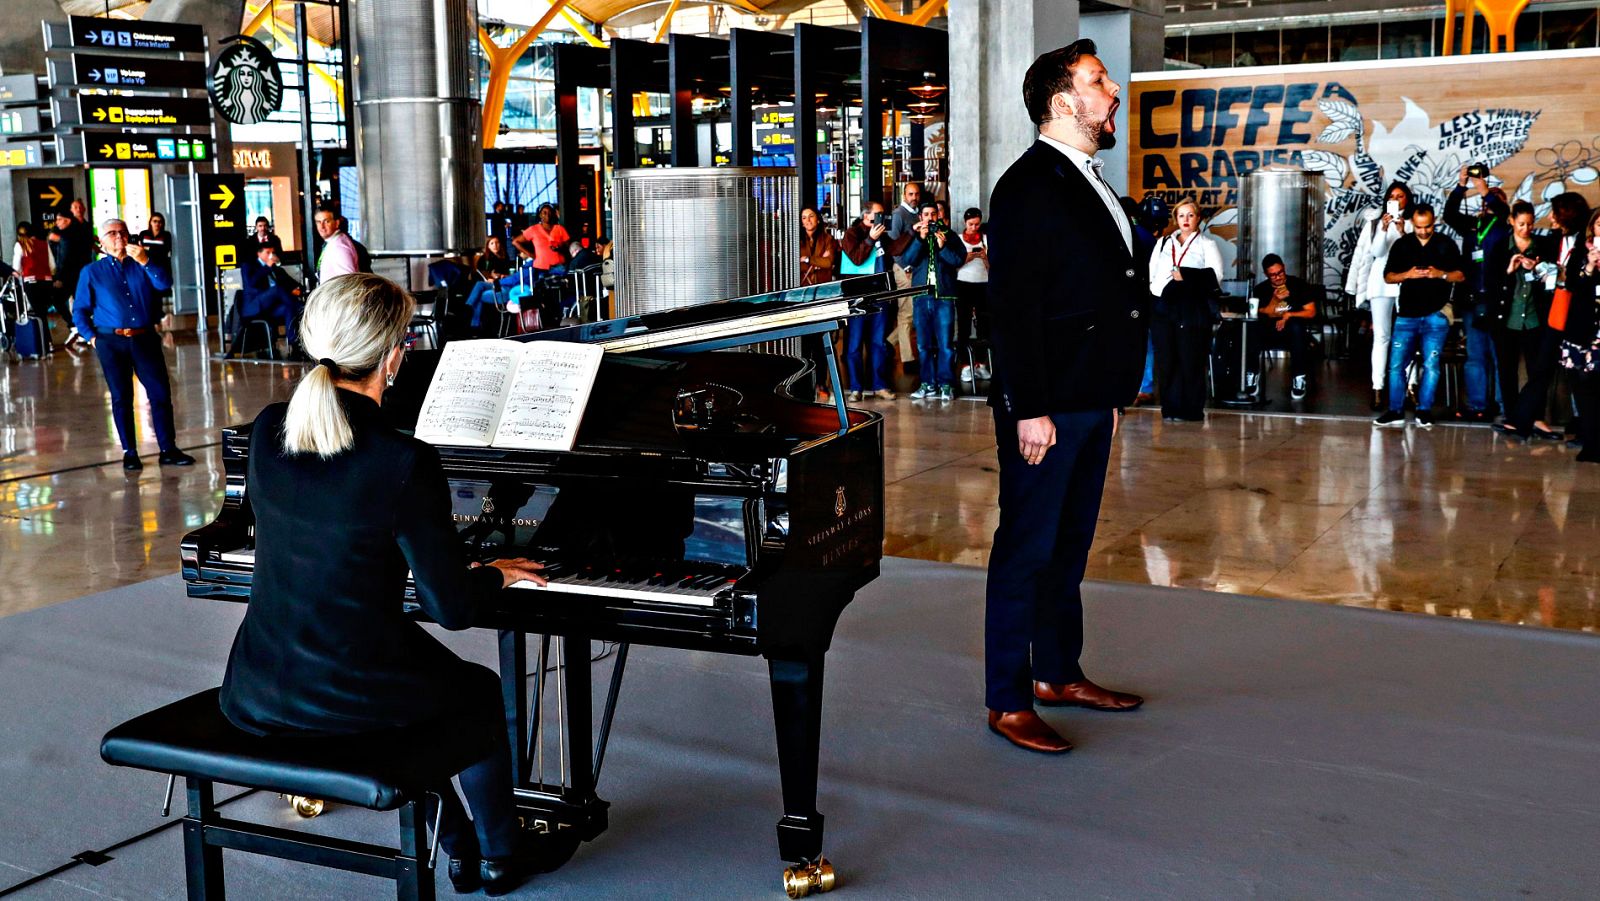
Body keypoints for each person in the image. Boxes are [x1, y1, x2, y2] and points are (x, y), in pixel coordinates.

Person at [218, 273, 549, 894]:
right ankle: (502, 854)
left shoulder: (267, 429)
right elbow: (449, 607)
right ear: (394, 358)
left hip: (257, 681)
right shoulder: (401, 458)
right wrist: (494, 574)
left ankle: (459, 844)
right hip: (345, 687)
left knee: (429, 685)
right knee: (475, 692)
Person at [984, 39, 1148, 756]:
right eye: (1098, 81)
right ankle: (1007, 698)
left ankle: (1056, 671)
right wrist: (1030, 407)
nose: (1112, 91)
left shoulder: (1089, 178)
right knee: (1026, 547)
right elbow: (1014, 311)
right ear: (1063, 102)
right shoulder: (1027, 187)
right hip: (1045, 406)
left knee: (1070, 545)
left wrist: (1109, 391)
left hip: (1089, 398)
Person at [71, 220, 196, 470]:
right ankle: (130, 451)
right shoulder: (92, 272)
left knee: (160, 393)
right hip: (111, 341)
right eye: (112, 233)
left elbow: (164, 284)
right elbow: (80, 311)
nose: (119, 237)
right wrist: (93, 338)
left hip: (144, 337)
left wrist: (146, 261)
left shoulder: (142, 265)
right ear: (102, 240)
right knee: (121, 397)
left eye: (123, 232)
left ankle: (168, 449)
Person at [1375, 204, 1466, 429]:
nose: (1423, 231)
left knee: (1431, 364)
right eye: (1418, 227)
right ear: (1411, 224)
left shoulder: (1446, 244)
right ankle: (1395, 410)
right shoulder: (1402, 244)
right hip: (1407, 313)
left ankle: (1424, 410)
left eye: (1427, 227)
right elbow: (1388, 277)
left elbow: (1461, 275)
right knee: (1396, 365)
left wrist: (1440, 274)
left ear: (1434, 222)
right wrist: (1409, 274)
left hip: (1436, 313)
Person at [1488, 202, 1562, 439]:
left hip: (1534, 317)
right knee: (1507, 369)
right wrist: (1508, 271)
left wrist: (1538, 268)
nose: (1526, 228)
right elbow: (1489, 285)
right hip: (1506, 319)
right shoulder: (1500, 248)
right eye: (1521, 224)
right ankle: (1512, 416)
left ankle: (1536, 417)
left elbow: (1554, 279)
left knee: (1537, 370)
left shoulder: (1543, 246)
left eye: (1530, 224)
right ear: (1511, 221)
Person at [1444, 167, 1512, 421]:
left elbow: (1505, 213)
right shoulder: (1473, 226)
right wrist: (1462, 186)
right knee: (1475, 354)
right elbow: (1449, 214)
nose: (1489, 201)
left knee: (1499, 354)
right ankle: (1477, 404)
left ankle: (1505, 406)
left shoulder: (1506, 227)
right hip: (1472, 299)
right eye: (1487, 198)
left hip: (1497, 301)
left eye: (1496, 197)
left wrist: (1486, 190)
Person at [1147, 198, 1223, 421]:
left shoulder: (1207, 245)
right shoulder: (1163, 243)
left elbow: (1215, 277)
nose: (1186, 220)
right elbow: (1152, 275)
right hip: (1164, 308)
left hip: (1191, 310)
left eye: (1190, 215)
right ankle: (1169, 409)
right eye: (1181, 215)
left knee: (1190, 359)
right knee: (1167, 360)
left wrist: (1186, 275)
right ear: (1175, 219)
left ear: (1198, 218)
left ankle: (1191, 410)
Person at [1346, 182, 1415, 410]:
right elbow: (1376, 252)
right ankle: (1378, 387)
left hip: (1405, 281)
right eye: (1392, 196)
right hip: (1381, 281)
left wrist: (1403, 231)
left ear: (1407, 199)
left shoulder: (1414, 223)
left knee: (1407, 336)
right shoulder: (1375, 222)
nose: (1396, 200)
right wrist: (1384, 229)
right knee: (1382, 337)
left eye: (1400, 196)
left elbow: (1414, 254)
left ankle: (1410, 386)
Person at [896, 200, 967, 401]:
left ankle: (946, 384)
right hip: (921, 296)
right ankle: (927, 383)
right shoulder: (916, 236)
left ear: (939, 215)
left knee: (945, 344)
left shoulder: (949, 235)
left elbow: (958, 260)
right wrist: (920, 239)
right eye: (926, 214)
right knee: (923, 345)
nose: (930, 218)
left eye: (933, 214)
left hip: (944, 297)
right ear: (920, 217)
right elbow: (908, 260)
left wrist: (943, 246)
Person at [839, 201, 905, 401]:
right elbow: (856, 259)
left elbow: (895, 250)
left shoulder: (882, 234)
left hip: (880, 295)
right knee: (854, 344)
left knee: (878, 343)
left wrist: (913, 233)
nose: (882, 218)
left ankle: (880, 385)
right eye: (879, 214)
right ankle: (856, 388)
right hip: (858, 296)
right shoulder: (852, 233)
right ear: (867, 216)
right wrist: (870, 239)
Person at [1249, 253, 1320, 400]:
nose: (1278, 277)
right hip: (1268, 331)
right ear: (1266, 275)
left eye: (1280, 272)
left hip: (1293, 332)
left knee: (1296, 327)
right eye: (1273, 275)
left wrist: (1289, 315)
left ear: (1284, 268)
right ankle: (1251, 374)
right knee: (1251, 328)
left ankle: (1299, 378)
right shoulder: (1261, 289)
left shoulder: (1299, 285)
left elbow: (1311, 312)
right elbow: (1261, 312)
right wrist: (1275, 299)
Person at [1559, 209, 1600, 462]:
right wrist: (1589, 265)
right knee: (1584, 388)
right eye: (1599, 224)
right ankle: (1591, 442)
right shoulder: (1580, 253)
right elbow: (1572, 284)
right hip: (1582, 331)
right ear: (1592, 228)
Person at [1131, 195, 1170, 405]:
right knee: (1146, 343)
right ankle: (1144, 388)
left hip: (1130, 298)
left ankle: (1137, 387)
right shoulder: (1154, 242)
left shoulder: (1133, 234)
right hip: (1145, 299)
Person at [230, 244, 303, 355]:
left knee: (288, 308)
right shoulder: (249, 266)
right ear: (259, 254)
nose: (271, 256)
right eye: (267, 253)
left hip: (270, 308)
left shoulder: (275, 269)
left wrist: (296, 288)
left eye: (272, 253)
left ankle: (294, 343)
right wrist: (267, 267)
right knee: (278, 290)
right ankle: (302, 308)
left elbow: (290, 282)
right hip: (254, 306)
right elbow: (251, 283)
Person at [800, 207, 840, 402]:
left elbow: (829, 262)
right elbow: (795, 264)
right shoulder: (796, 240)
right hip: (801, 297)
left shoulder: (828, 239)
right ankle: (804, 383)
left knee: (821, 342)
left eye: (811, 217)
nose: (807, 221)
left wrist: (808, 259)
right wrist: (817, 260)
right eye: (804, 218)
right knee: (804, 343)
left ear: (818, 219)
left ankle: (821, 383)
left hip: (822, 296)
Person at [885, 182, 923, 367]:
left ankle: (888, 343)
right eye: (910, 194)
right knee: (906, 314)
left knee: (912, 313)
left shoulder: (917, 214)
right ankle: (907, 359)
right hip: (903, 269)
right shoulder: (898, 215)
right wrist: (906, 267)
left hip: (914, 268)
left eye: (916, 194)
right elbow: (893, 246)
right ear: (903, 196)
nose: (914, 197)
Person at [954, 207, 990, 384]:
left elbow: (993, 267)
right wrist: (965, 258)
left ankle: (981, 363)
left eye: (977, 224)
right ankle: (965, 366)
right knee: (964, 326)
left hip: (983, 284)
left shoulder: (986, 238)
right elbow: (952, 265)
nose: (974, 227)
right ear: (965, 223)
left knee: (984, 326)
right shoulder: (958, 240)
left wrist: (984, 257)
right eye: (971, 224)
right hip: (963, 284)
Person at [50, 207, 95, 346]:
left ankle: (75, 326)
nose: (57, 222)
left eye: (59, 220)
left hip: (69, 275)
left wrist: (59, 277)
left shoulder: (67, 236)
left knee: (57, 299)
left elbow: (64, 258)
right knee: (80, 304)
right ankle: (83, 331)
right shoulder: (80, 231)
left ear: (67, 220)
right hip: (81, 273)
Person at [12, 222, 58, 335]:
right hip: (47, 282)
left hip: (31, 282)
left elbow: (16, 268)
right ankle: (46, 342)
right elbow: (52, 266)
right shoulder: (44, 244)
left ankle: (44, 342)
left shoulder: (20, 245)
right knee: (42, 312)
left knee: (38, 313)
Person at [463, 235, 517, 330]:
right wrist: (488, 278)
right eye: (492, 243)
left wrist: (499, 276)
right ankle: (475, 325)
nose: (495, 245)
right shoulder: (484, 258)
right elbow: (478, 274)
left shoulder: (505, 257)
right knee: (480, 288)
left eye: (497, 243)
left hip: (501, 284)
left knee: (479, 287)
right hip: (488, 283)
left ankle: (468, 307)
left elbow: (509, 274)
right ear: (488, 246)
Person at [512, 203, 570, 278]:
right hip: (540, 268)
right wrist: (531, 254)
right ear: (540, 215)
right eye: (544, 212)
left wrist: (560, 248)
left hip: (559, 267)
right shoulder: (533, 229)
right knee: (542, 288)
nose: (547, 214)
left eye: (549, 212)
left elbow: (568, 246)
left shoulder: (559, 228)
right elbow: (515, 242)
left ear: (553, 214)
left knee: (560, 288)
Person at [314, 204, 363, 281]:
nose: (322, 226)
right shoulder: (332, 242)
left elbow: (349, 281)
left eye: (326, 221)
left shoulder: (339, 247)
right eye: (318, 222)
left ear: (337, 223)